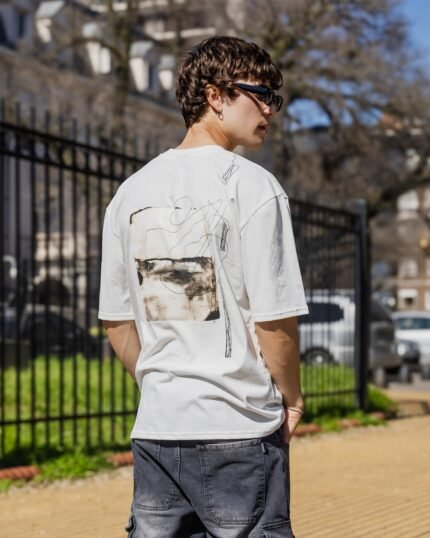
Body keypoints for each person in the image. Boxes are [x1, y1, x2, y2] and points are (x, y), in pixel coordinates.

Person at [98, 35, 308, 538]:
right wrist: (292, 398)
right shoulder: (253, 186)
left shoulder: (130, 192)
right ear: (216, 95)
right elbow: (273, 320)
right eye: (261, 94)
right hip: (238, 426)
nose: (270, 110)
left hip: (158, 429)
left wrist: (163, 382)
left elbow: (117, 321)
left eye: (274, 99)